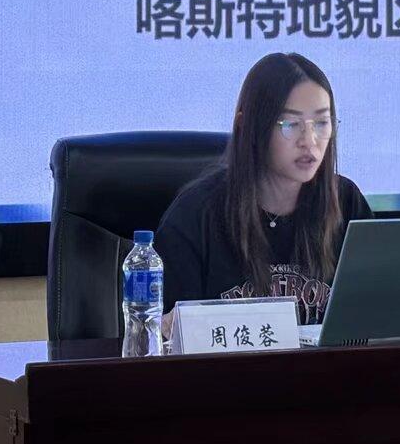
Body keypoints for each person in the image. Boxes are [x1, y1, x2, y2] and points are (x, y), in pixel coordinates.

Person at [155, 52, 372, 327]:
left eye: (321, 123)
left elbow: (378, 315)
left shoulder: (346, 202)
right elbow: (164, 337)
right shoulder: (195, 216)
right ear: (247, 125)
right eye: (290, 125)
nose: (309, 141)